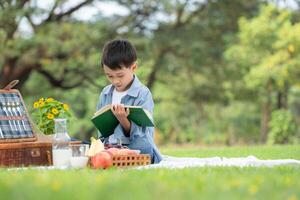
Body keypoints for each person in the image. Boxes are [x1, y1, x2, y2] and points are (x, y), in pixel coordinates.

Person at [96, 39, 162, 163]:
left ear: (133, 67)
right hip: (109, 149)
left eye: (120, 75)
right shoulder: (105, 93)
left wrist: (123, 120)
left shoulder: (143, 93)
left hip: (136, 150)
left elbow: (143, 139)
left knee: (140, 148)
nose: (115, 81)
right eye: (109, 76)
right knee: (75, 143)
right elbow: (101, 134)